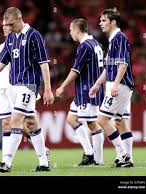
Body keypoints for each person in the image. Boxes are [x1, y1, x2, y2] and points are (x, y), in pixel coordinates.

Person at [0, 7, 54, 172]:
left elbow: (44, 63)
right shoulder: (10, 39)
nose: (8, 27)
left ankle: (6, 163)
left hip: (29, 86)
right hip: (13, 86)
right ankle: (44, 162)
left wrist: (47, 88)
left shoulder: (34, 36)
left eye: (11, 24)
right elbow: (0, 63)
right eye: (6, 24)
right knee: (32, 123)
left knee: (15, 121)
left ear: (20, 19)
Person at [89, 8, 134, 167]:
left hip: (120, 85)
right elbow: (109, 68)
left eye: (103, 20)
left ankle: (124, 155)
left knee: (102, 119)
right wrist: (97, 84)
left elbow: (123, 64)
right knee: (120, 121)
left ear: (113, 22)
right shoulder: (113, 39)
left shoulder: (119, 38)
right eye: (100, 20)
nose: (100, 23)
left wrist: (115, 84)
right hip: (116, 84)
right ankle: (128, 157)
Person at [56, 19, 104, 166]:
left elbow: (75, 70)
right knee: (71, 119)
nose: (70, 33)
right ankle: (90, 153)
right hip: (87, 90)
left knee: (92, 124)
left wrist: (62, 86)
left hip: (87, 90)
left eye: (71, 30)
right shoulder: (96, 44)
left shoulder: (84, 46)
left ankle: (97, 159)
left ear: (77, 30)